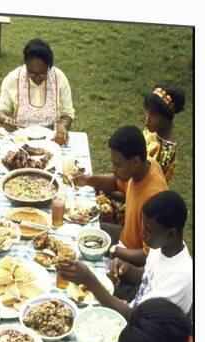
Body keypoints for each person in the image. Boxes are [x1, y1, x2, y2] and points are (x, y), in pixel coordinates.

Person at [55, 191, 192, 318]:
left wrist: (89, 280)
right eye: (144, 226)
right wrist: (126, 269)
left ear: (171, 233)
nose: (142, 234)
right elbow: (148, 276)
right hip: (135, 309)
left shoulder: (180, 278)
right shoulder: (163, 246)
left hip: (147, 335)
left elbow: (134, 317)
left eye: (149, 230)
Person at [71, 125, 168, 266]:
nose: (113, 169)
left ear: (134, 161)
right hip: (124, 236)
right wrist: (87, 180)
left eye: (117, 164)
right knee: (77, 231)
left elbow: (147, 256)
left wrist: (111, 250)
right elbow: (116, 183)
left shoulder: (153, 198)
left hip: (132, 260)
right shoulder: (145, 165)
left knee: (81, 265)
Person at [0, 38, 75, 132]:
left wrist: (63, 126)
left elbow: (68, 113)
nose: (37, 78)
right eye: (31, 73)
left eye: (42, 74)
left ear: (49, 67)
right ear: (25, 65)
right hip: (20, 137)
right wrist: (5, 119)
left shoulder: (59, 78)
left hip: (52, 137)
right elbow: (1, 109)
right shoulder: (13, 78)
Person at [143, 83, 185, 183]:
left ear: (166, 118)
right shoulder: (153, 129)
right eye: (148, 112)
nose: (147, 119)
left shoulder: (165, 152)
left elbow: (146, 185)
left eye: (152, 114)